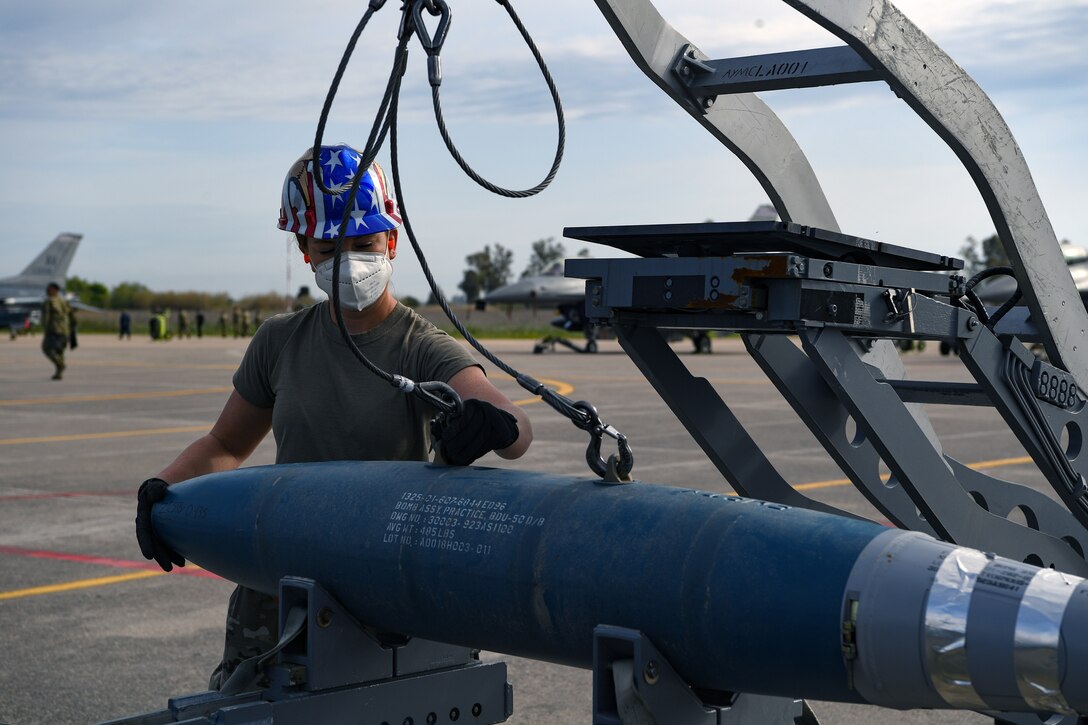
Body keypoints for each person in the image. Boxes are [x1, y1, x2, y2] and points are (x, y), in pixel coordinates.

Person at [135, 144, 533, 692]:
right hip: (278, 590)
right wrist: (165, 490)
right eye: (329, 246)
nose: (349, 259)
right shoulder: (280, 340)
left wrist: (494, 425)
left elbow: (513, 429)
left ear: (390, 240)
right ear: (305, 250)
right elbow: (226, 444)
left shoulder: (423, 347)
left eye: (364, 242)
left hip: (380, 593)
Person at [41, 282, 72, 380]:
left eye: (49, 289)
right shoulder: (63, 300)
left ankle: (61, 365)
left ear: (55, 290)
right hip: (64, 330)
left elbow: (46, 317)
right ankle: (59, 374)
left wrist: (45, 329)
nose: (47, 291)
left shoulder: (49, 301)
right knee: (59, 351)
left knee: (46, 348)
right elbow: (69, 313)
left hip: (53, 330)